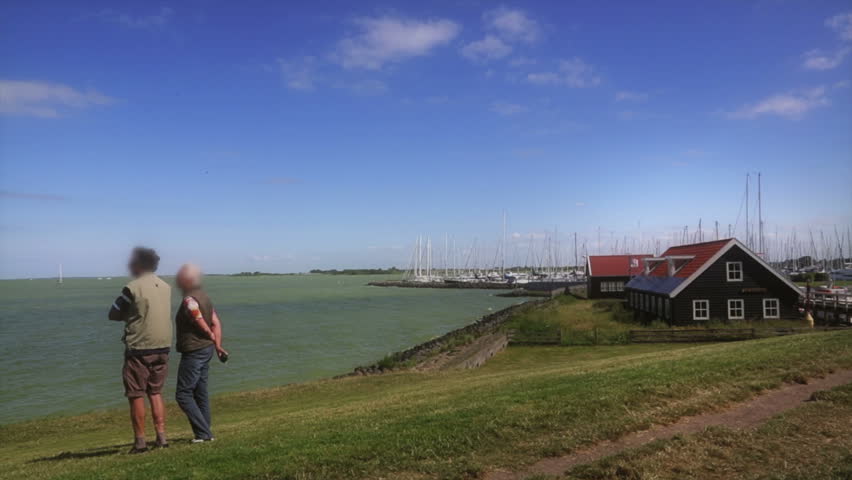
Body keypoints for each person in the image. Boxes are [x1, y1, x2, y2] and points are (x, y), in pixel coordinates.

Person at [108, 247, 172, 454]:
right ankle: (162, 438)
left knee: (136, 394)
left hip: (140, 348)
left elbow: (114, 314)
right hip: (163, 346)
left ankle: (140, 442)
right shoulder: (165, 286)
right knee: (155, 392)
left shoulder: (132, 287)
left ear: (138, 265)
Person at [174, 264, 228, 443]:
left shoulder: (189, 300)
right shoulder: (205, 297)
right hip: (206, 350)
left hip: (194, 350)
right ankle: (204, 433)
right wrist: (217, 346)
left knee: (183, 394)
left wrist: (210, 335)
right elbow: (216, 322)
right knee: (200, 392)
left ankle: (204, 433)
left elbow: (199, 319)